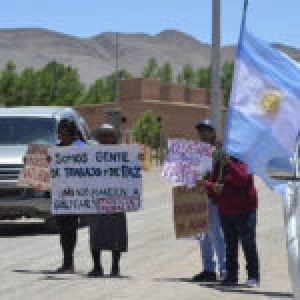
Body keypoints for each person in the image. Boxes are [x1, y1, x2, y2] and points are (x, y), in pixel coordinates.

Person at [205, 153, 260, 287]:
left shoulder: (245, 159)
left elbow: (243, 179)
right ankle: (231, 275)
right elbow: (211, 180)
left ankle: (253, 275)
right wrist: (212, 186)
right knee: (230, 244)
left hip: (245, 209)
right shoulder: (220, 163)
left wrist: (229, 163)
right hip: (225, 209)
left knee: (248, 243)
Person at [87, 124, 128, 277]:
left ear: (114, 138)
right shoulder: (90, 154)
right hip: (97, 199)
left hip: (117, 199)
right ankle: (97, 267)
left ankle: (115, 267)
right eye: (103, 135)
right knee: (95, 233)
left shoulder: (124, 155)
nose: (105, 138)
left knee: (117, 234)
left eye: (109, 135)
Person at [191, 119, 226, 282]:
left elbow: (220, 176)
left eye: (206, 130)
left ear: (213, 133)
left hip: (212, 198)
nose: (202, 133)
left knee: (216, 234)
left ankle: (225, 269)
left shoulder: (218, 152)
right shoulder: (195, 152)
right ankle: (208, 269)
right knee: (203, 235)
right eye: (201, 130)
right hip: (198, 197)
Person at [54, 118, 85, 274]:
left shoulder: (81, 148)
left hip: (78, 196)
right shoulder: (55, 150)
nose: (61, 135)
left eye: (64, 132)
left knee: (71, 229)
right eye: (60, 131)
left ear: (72, 133)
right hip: (61, 197)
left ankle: (70, 262)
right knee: (63, 230)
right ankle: (67, 262)